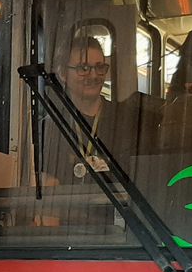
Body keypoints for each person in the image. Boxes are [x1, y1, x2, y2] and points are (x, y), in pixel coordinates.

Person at [38, 33, 150, 185]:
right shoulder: (49, 128)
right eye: (84, 68)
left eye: (100, 67)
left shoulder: (126, 122)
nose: (94, 75)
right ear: (63, 73)